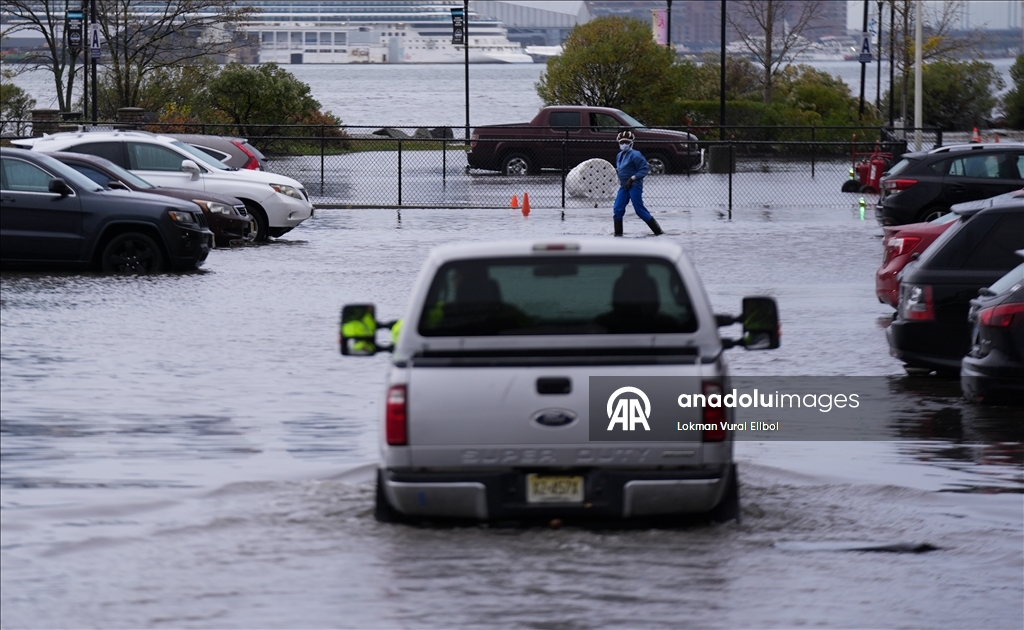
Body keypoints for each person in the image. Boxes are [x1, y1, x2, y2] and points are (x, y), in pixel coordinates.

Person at [613, 130, 663, 236]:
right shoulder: (619, 155)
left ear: (631, 143)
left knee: (639, 209)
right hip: (623, 186)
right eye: (621, 142)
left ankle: (658, 231)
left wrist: (632, 178)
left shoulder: (636, 155)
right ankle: (618, 235)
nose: (623, 144)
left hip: (634, 185)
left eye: (626, 142)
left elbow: (644, 169)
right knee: (617, 209)